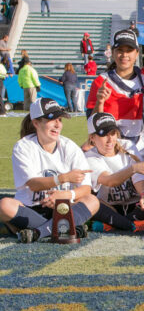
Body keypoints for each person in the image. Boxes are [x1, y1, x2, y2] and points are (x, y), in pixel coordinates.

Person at [0, 98, 98, 243]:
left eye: (60, 120)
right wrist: (62, 178)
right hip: (31, 208)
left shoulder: (69, 147)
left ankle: (38, 233)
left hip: (64, 207)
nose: (57, 125)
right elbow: (33, 184)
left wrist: (65, 195)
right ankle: (68, 228)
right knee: (4, 205)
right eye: (51, 119)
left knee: (93, 201)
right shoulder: (23, 146)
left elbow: (85, 189)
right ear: (36, 123)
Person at [86, 29, 144, 160]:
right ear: (113, 53)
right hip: (113, 155)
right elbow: (92, 124)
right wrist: (100, 102)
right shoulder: (101, 81)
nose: (124, 55)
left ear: (137, 53)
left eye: (129, 50)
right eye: (120, 50)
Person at [84, 112, 144, 232]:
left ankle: (113, 224)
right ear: (92, 137)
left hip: (135, 205)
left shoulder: (127, 145)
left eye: (113, 133)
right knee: (89, 201)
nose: (110, 140)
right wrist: (133, 168)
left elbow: (138, 178)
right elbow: (110, 181)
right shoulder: (89, 157)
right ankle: (133, 225)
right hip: (109, 207)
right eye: (103, 135)